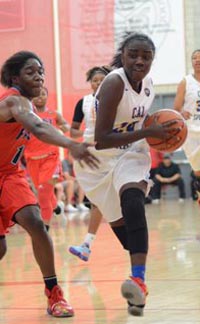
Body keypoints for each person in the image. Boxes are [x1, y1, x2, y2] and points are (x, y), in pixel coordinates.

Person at [73, 33, 179, 316]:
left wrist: (160, 133)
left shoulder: (149, 85)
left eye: (146, 56)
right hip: (97, 161)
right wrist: (149, 131)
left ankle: (138, 281)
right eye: (133, 54)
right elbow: (102, 139)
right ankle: (137, 276)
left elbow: (142, 122)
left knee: (133, 201)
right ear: (123, 55)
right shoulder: (113, 83)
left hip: (131, 153)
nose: (140, 61)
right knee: (129, 242)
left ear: (153, 60)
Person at [0, 51, 99, 318]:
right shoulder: (12, 101)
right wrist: (72, 145)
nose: (39, 76)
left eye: (41, 71)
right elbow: (38, 128)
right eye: (31, 71)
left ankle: (54, 293)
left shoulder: (29, 105)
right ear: (14, 78)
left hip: (9, 173)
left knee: (35, 221)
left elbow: (44, 127)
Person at [69, 66, 112, 261]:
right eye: (95, 80)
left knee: (114, 197)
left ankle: (88, 243)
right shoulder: (83, 103)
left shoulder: (115, 100)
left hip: (112, 151)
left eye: (102, 80)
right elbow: (73, 132)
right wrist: (87, 133)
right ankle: (87, 243)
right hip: (91, 154)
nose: (98, 83)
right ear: (90, 82)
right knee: (97, 199)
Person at [24, 86, 70, 230]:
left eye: (43, 94)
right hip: (32, 159)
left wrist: (64, 127)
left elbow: (66, 126)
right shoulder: (27, 115)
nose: (39, 96)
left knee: (43, 195)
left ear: (46, 96)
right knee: (43, 191)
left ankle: (45, 229)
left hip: (50, 158)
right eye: (36, 94)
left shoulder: (54, 114)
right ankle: (57, 208)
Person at [174, 49, 200, 199]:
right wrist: (182, 112)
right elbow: (176, 108)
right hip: (191, 133)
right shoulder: (185, 81)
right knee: (198, 172)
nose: (197, 60)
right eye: (194, 58)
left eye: (199, 57)